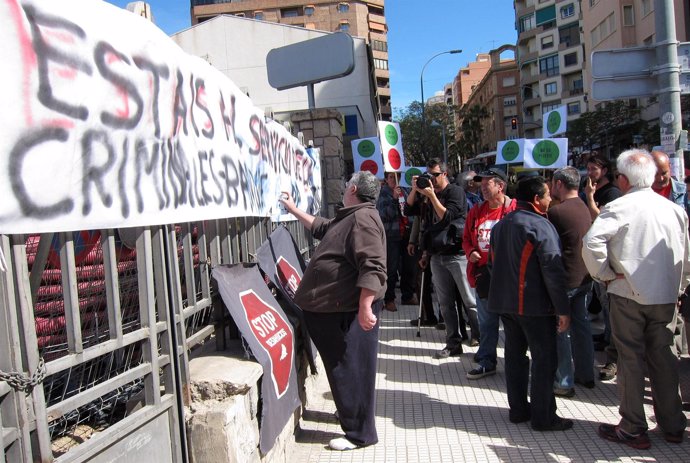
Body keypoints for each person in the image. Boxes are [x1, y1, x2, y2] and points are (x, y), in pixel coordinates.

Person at [582, 149, 689, 449]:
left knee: (630, 361)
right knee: (665, 359)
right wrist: (680, 288)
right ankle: (672, 425)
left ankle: (632, 427)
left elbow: (590, 242)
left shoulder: (619, 207)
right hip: (666, 295)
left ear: (624, 179)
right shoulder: (673, 209)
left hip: (627, 293)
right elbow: (686, 256)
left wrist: (604, 274)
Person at [280, 171, 386, 451]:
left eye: (346, 184)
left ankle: (360, 434)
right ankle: (351, 414)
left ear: (352, 189)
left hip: (348, 310)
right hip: (338, 310)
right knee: (345, 367)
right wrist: (292, 209)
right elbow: (322, 226)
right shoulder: (352, 215)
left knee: (351, 368)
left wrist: (365, 306)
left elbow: (374, 265)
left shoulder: (363, 219)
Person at [488, 175, 572, 431]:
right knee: (544, 359)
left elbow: (493, 263)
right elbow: (553, 271)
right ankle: (543, 417)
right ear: (536, 199)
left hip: (506, 304)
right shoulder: (540, 226)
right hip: (533, 306)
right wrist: (563, 308)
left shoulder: (501, 225)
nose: (550, 199)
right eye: (547, 195)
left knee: (514, 357)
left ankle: (518, 410)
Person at [405, 158, 476, 358]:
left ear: (444, 174)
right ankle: (453, 343)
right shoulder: (426, 193)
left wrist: (431, 196)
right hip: (436, 255)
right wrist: (415, 189)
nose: (432, 180)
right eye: (429, 175)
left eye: (435, 175)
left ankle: (481, 339)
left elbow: (447, 216)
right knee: (445, 303)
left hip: (456, 254)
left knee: (469, 301)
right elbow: (408, 211)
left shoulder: (455, 192)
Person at [463, 167, 516, 378]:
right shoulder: (476, 211)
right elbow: (466, 238)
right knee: (487, 321)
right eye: (481, 184)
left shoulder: (513, 210)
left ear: (500, 186)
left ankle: (515, 362)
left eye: (487, 184)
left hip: (508, 275)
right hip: (483, 274)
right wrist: (471, 252)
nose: (482, 188)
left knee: (512, 324)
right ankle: (486, 360)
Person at [549, 167, 595, 397]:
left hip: (566, 279)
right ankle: (586, 374)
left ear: (559, 184)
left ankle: (564, 381)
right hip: (585, 276)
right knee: (582, 326)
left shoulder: (557, 212)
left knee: (561, 330)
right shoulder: (584, 206)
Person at [583, 154, 622, 381]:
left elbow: (602, 223)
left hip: (609, 257)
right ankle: (607, 338)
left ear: (605, 170)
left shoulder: (612, 194)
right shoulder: (592, 189)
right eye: (588, 168)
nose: (590, 172)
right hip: (597, 257)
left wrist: (589, 199)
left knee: (609, 304)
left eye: (594, 168)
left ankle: (613, 354)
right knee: (603, 301)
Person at [376, 172, 409, 312]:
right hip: (391, 235)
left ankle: (408, 295)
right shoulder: (383, 194)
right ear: (386, 179)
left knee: (408, 268)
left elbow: (409, 210)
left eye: (398, 177)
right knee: (391, 268)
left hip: (405, 234)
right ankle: (389, 299)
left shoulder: (405, 192)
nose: (395, 180)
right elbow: (384, 215)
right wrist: (394, 200)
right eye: (391, 177)